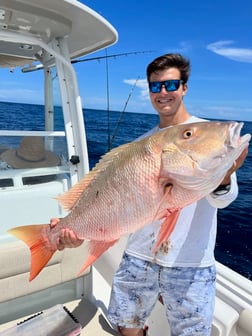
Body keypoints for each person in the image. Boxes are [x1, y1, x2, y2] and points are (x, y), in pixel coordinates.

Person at [50, 53, 248, 336]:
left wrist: (227, 174)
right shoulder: (141, 143)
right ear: (150, 91)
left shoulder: (207, 135)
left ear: (184, 88)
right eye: (156, 86)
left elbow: (223, 199)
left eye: (171, 84)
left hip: (189, 261)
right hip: (138, 254)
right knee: (128, 325)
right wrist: (75, 230)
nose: (163, 93)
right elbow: (112, 204)